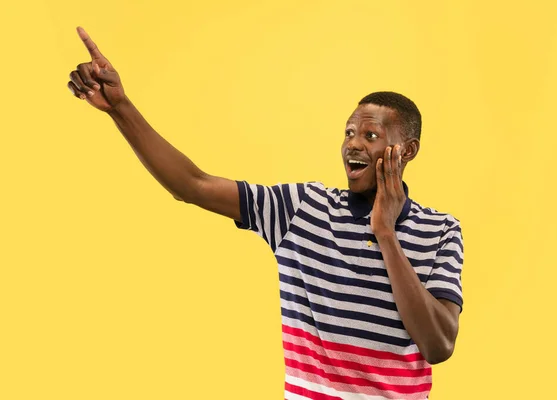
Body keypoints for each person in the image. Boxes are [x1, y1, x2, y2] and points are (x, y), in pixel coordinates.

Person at [67, 27, 464, 400]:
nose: (353, 145)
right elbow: (193, 185)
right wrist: (120, 108)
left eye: (370, 136)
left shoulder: (442, 231)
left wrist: (386, 234)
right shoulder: (302, 209)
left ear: (406, 151)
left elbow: (438, 345)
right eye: (348, 133)